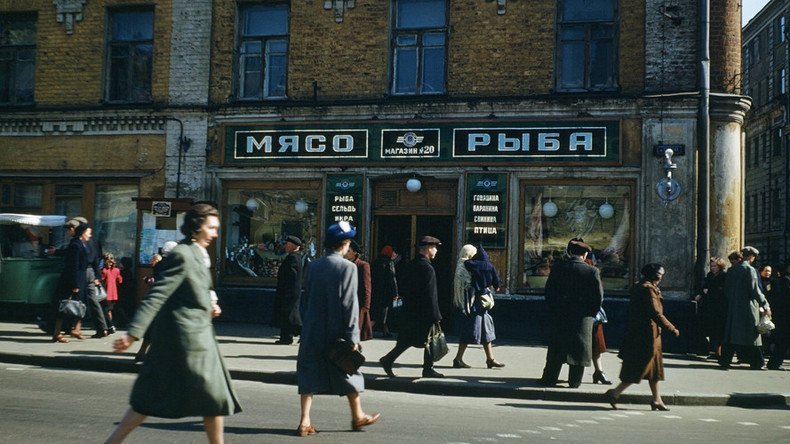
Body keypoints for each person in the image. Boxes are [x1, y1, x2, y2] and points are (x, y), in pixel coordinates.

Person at [105, 203, 241, 443]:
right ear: (197, 226)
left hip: (200, 337)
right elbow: (158, 293)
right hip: (184, 341)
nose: (215, 233)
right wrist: (133, 334)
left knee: (214, 399)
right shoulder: (182, 254)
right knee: (151, 398)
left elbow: (196, 288)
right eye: (211, 228)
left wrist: (210, 304)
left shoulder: (199, 253)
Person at [296, 222, 380, 436]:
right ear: (344, 244)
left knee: (308, 373)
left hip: (312, 330)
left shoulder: (313, 265)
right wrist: (353, 336)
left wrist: (306, 324)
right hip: (336, 333)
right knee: (348, 371)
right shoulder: (348, 267)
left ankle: (305, 421)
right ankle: (358, 415)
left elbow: (304, 299)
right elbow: (350, 304)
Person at [606, 263, 679, 411]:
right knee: (640, 365)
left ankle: (657, 399)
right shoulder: (647, 290)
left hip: (650, 333)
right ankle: (615, 392)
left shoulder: (645, 287)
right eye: (660, 274)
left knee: (654, 369)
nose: (662, 277)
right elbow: (655, 313)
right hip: (645, 334)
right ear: (654, 275)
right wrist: (671, 328)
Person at [539, 238, 603, 388]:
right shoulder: (591, 271)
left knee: (557, 347)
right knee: (579, 350)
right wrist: (590, 313)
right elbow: (598, 297)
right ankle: (574, 381)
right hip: (582, 316)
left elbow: (549, 292)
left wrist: (554, 309)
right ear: (585, 254)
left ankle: (549, 378)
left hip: (561, 314)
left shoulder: (559, 268)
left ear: (570, 252)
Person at [380, 235, 445, 379]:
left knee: (407, 340)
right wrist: (436, 315)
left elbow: (403, 286)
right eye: (434, 248)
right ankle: (428, 369)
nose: (436, 251)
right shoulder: (427, 268)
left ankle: (388, 360)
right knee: (430, 339)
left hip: (411, 311)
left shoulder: (412, 264)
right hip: (424, 312)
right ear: (428, 248)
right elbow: (430, 294)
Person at [718, 246, 771, 370]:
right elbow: (755, 290)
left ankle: (725, 361)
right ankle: (757, 363)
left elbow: (726, 290)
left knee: (731, 334)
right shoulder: (750, 270)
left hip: (733, 307)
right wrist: (765, 304)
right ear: (752, 257)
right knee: (753, 336)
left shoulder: (732, 270)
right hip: (748, 308)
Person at [452, 244, 504, 369]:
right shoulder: (464, 267)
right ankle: (458, 359)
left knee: (486, 331)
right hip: (473, 304)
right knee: (470, 330)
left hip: (479, 303)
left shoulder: (468, 265)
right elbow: (468, 286)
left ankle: (490, 359)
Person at [51, 222, 91, 343]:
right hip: (73, 280)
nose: (90, 235)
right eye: (88, 233)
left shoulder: (81, 244)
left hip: (80, 279)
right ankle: (57, 333)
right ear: (83, 233)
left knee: (80, 305)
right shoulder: (76, 245)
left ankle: (77, 329)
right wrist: (74, 284)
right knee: (65, 306)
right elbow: (72, 265)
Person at [272, 235, 305, 345]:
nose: (285, 246)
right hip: (291, 291)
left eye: (287, 244)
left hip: (289, 291)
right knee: (288, 315)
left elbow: (290, 276)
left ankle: (302, 332)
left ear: (293, 245)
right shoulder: (296, 257)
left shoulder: (293, 258)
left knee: (290, 315)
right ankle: (286, 337)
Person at [694, 256, 728, 359]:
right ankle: (713, 351)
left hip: (719, 307)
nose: (712, 268)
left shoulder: (723, 276)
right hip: (708, 306)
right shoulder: (710, 275)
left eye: (715, 266)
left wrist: (709, 291)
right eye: (711, 266)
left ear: (720, 266)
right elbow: (704, 286)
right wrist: (701, 293)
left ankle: (719, 352)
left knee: (718, 331)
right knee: (711, 329)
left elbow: (722, 291)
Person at [346, 240, 373, 341]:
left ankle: (354, 348)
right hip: (344, 302)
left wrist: (366, 305)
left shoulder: (362, 265)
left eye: (348, 251)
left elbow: (367, 285)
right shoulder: (343, 264)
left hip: (357, 303)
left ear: (355, 252)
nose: (345, 253)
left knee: (355, 329)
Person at [371, 245, 399, 337]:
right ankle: (379, 329)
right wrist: (395, 293)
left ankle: (384, 330)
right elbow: (392, 279)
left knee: (375, 311)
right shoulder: (389, 263)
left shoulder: (374, 263)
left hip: (375, 291)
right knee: (384, 312)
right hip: (386, 292)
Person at [766, 261, 790, 370]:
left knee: (782, 342)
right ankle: (774, 363)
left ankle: (774, 363)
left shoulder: (777, 282)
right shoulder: (786, 281)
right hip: (786, 317)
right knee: (783, 341)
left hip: (780, 316)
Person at [101, 252, 123, 334]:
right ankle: (110, 325)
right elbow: (120, 280)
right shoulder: (117, 270)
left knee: (106, 311)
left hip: (106, 293)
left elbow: (102, 280)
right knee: (110, 310)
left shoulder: (104, 270)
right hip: (114, 293)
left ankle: (109, 325)